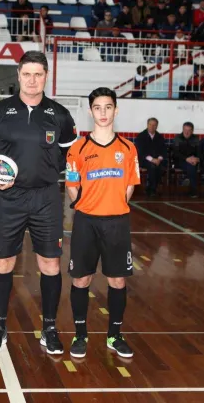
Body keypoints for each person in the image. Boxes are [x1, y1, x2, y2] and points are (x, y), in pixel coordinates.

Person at [0, 51, 77, 355]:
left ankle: (49, 329)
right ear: (18, 76)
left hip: (46, 197)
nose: (32, 80)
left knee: (50, 263)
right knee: (4, 262)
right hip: (8, 197)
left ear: (46, 77)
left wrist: (46, 172)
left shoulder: (59, 114)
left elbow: (67, 157)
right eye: (27, 74)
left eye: (38, 74)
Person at [65, 87, 140, 359]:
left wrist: (113, 204)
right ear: (90, 111)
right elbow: (72, 186)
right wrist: (87, 205)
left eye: (108, 107)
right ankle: (80, 334)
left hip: (117, 223)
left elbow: (130, 185)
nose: (103, 112)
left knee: (117, 279)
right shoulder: (78, 148)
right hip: (86, 222)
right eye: (98, 107)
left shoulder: (128, 148)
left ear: (116, 110)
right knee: (82, 278)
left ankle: (114, 335)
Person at [134, 117, 166, 197]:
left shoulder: (160, 137)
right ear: (147, 125)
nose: (152, 127)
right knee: (152, 166)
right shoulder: (141, 136)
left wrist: (159, 159)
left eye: (154, 125)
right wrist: (152, 159)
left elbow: (163, 150)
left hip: (157, 160)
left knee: (161, 166)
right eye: (150, 125)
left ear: (157, 126)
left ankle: (151, 187)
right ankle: (152, 189)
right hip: (144, 160)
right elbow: (141, 151)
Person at [172, 121, 200, 197]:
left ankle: (190, 183)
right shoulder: (177, 138)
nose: (187, 132)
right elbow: (175, 153)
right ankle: (193, 190)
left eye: (189, 130)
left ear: (192, 131)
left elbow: (199, 151)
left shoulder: (196, 139)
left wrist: (197, 159)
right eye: (185, 130)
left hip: (193, 161)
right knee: (191, 167)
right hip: (180, 161)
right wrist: (186, 159)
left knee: (193, 166)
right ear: (182, 129)